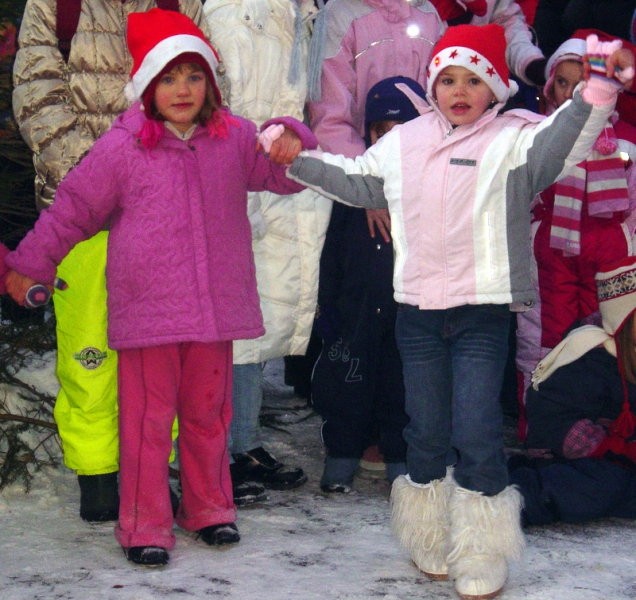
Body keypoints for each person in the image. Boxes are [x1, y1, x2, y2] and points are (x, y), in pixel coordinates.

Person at [286, 23, 635, 599]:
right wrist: (296, 158)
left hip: (482, 313)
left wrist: (596, 91)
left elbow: (564, 140)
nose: (459, 90)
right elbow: (356, 181)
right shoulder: (406, 141)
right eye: (447, 79)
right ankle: (428, 526)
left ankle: (481, 547)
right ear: (434, 85)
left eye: (474, 79)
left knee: (475, 428)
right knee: (423, 429)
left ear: (495, 87)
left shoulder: (514, 140)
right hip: (418, 314)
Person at [4, 8, 317, 566]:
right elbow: (72, 211)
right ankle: (144, 523)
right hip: (149, 316)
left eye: (194, 76)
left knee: (207, 417)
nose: (182, 89)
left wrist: (291, 138)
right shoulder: (123, 148)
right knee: (148, 425)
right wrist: (31, 264)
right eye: (168, 77)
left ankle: (209, 508)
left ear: (211, 83)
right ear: (145, 83)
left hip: (215, 313)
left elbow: (283, 175)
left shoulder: (233, 139)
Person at [11, 0, 211, 523]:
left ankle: (150, 469)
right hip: (79, 213)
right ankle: (97, 470)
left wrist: (151, 173)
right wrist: (102, 175)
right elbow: (36, 93)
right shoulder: (58, 6)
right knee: (87, 348)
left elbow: (208, 81)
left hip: (161, 210)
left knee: (159, 350)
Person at [203, 0, 331, 503]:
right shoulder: (229, 10)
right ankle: (214, 450)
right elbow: (219, 95)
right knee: (228, 321)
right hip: (235, 172)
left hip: (272, 170)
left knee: (254, 322)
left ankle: (242, 443)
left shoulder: (299, 15)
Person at [515, 33, 636, 440]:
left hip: (611, 255)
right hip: (552, 252)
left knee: (609, 342)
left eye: (580, 81)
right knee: (543, 339)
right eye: (562, 82)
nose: (571, 91)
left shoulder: (627, 141)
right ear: (549, 88)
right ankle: (542, 430)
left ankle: (605, 428)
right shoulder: (537, 136)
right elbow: (523, 193)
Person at [312, 76, 425, 494]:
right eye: (380, 131)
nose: (389, 141)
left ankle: (400, 459)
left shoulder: (428, 188)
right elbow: (331, 255)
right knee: (347, 388)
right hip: (355, 312)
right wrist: (327, 310)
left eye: (401, 132)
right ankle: (342, 453)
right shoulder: (353, 189)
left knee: (402, 390)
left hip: (408, 313)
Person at [510, 258, 636, 526]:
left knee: (621, 486)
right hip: (565, 458)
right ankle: (515, 499)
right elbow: (554, 420)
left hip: (620, 460)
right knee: (602, 484)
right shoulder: (588, 358)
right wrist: (612, 447)